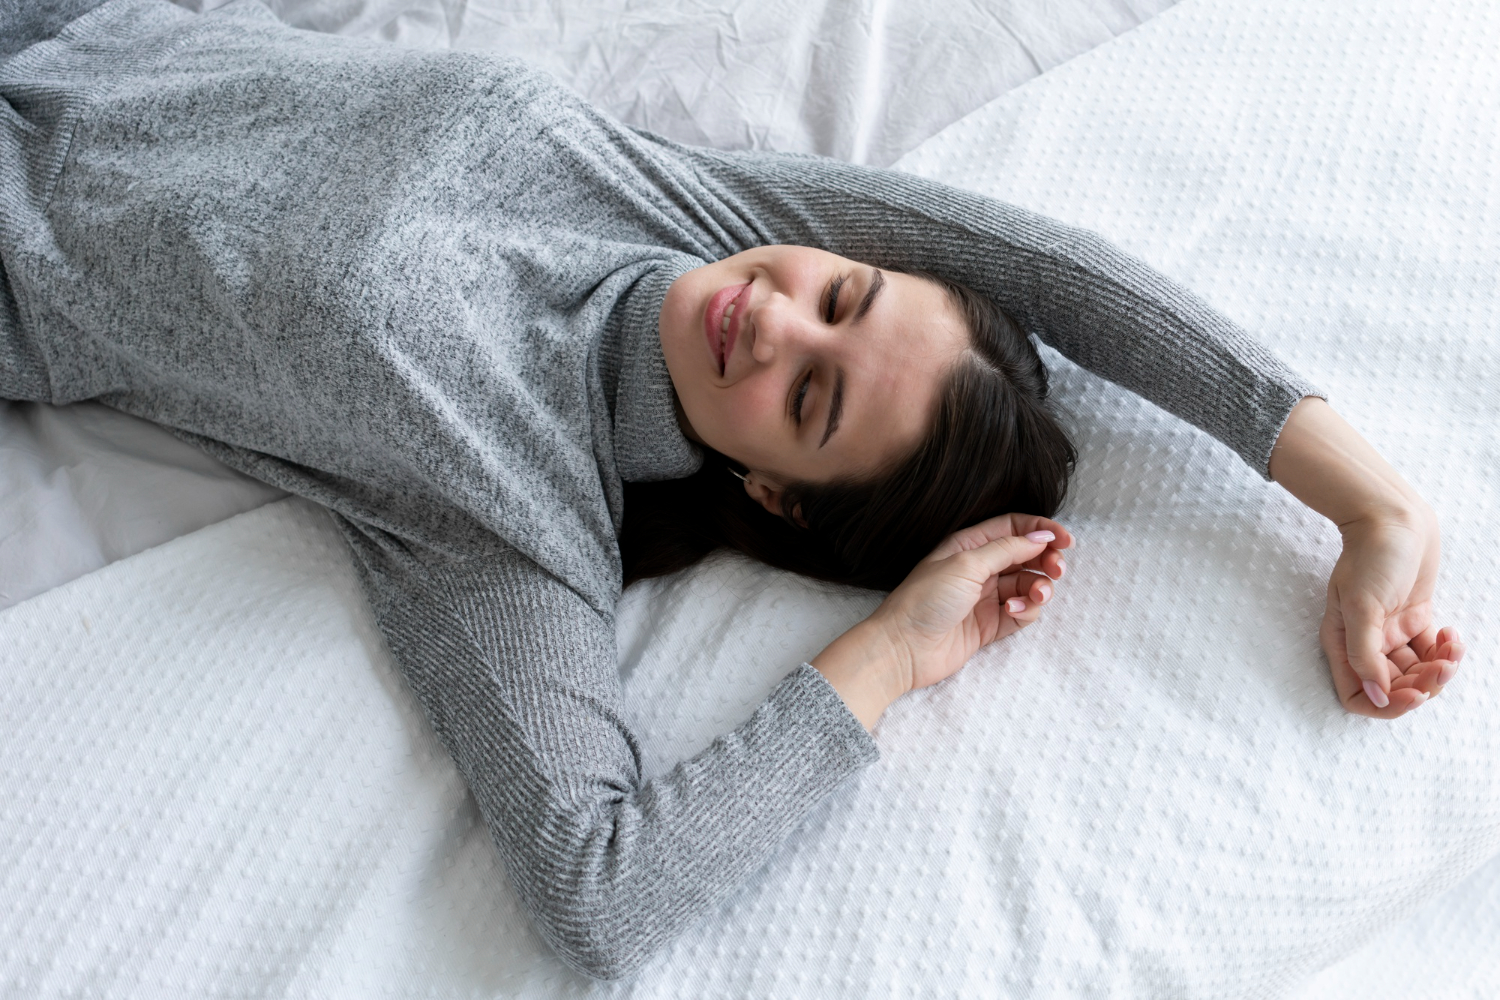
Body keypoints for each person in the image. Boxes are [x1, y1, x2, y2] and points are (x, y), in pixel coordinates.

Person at [0, 0, 1463, 980]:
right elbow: (1063, 279)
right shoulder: (711, 213)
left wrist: (892, 655)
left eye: (809, 397)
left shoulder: (507, 511)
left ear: (769, 492)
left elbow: (603, 898)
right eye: (843, 295)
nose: (774, 319)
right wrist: (1371, 506)